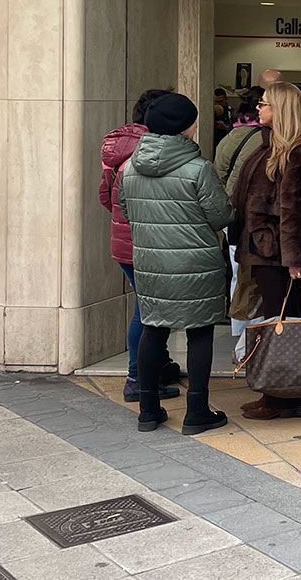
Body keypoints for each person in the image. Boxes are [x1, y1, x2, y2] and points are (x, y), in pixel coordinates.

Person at [118, 93, 234, 435]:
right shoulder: (198, 168)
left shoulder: (129, 166)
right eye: (193, 120)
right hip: (196, 263)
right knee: (200, 333)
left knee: (153, 328)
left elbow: (127, 211)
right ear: (184, 127)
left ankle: (148, 410)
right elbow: (221, 216)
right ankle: (196, 411)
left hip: (151, 262)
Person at [232, 82, 301, 419]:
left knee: (280, 322)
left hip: (277, 254)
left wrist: (293, 259)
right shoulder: (269, 147)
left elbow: (296, 211)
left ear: (281, 109)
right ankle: (276, 392)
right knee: (274, 319)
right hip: (263, 249)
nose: (259, 109)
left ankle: (280, 396)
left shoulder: (298, 152)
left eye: (265, 104)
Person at [99, 88, 179, 404]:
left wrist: (124, 221)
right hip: (149, 245)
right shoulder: (153, 151)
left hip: (124, 244)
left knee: (148, 310)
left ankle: (156, 366)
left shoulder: (117, 147)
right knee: (147, 314)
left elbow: (106, 197)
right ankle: (137, 378)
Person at [216, 87, 268, 358]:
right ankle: (256, 334)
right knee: (261, 277)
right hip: (260, 216)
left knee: (238, 272)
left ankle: (239, 328)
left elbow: (218, 176)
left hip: (233, 214)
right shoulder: (268, 140)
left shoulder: (228, 139)